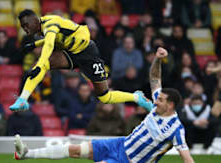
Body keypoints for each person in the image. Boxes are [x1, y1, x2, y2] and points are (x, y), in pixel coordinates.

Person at [14, 47, 195, 163]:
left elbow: (186, 158)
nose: (155, 100)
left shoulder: (176, 130)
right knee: (76, 150)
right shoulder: (156, 107)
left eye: (161, 100)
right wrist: (157, 58)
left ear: (170, 105)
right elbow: (155, 78)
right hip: (119, 144)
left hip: (129, 161)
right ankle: (26, 154)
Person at [9, 10, 152, 112]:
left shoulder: (50, 24)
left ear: (35, 19)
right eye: (23, 28)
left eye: (27, 25)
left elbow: (50, 43)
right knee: (43, 65)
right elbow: (51, 39)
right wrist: (34, 45)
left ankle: (136, 97)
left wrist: (39, 61)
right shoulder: (43, 29)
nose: (26, 30)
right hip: (70, 53)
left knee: (104, 97)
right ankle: (23, 99)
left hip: (88, 53)